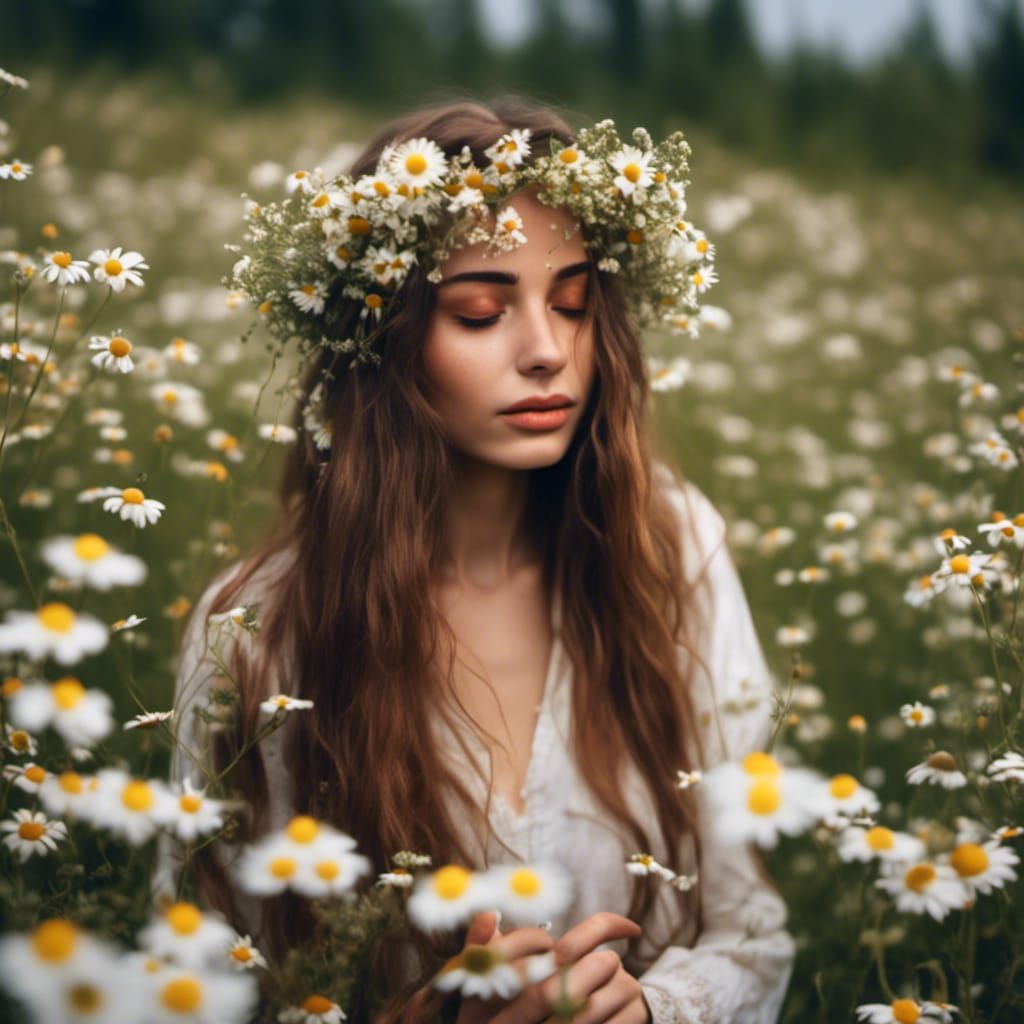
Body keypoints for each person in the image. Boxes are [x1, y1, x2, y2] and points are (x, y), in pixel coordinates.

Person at [152, 96, 795, 1023]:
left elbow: (754, 933)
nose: (547, 352)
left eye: (573, 303)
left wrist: (656, 1010)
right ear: (381, 337)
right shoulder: (258, 629)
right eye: (481, 313)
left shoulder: (672, 552)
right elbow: (192, 989)